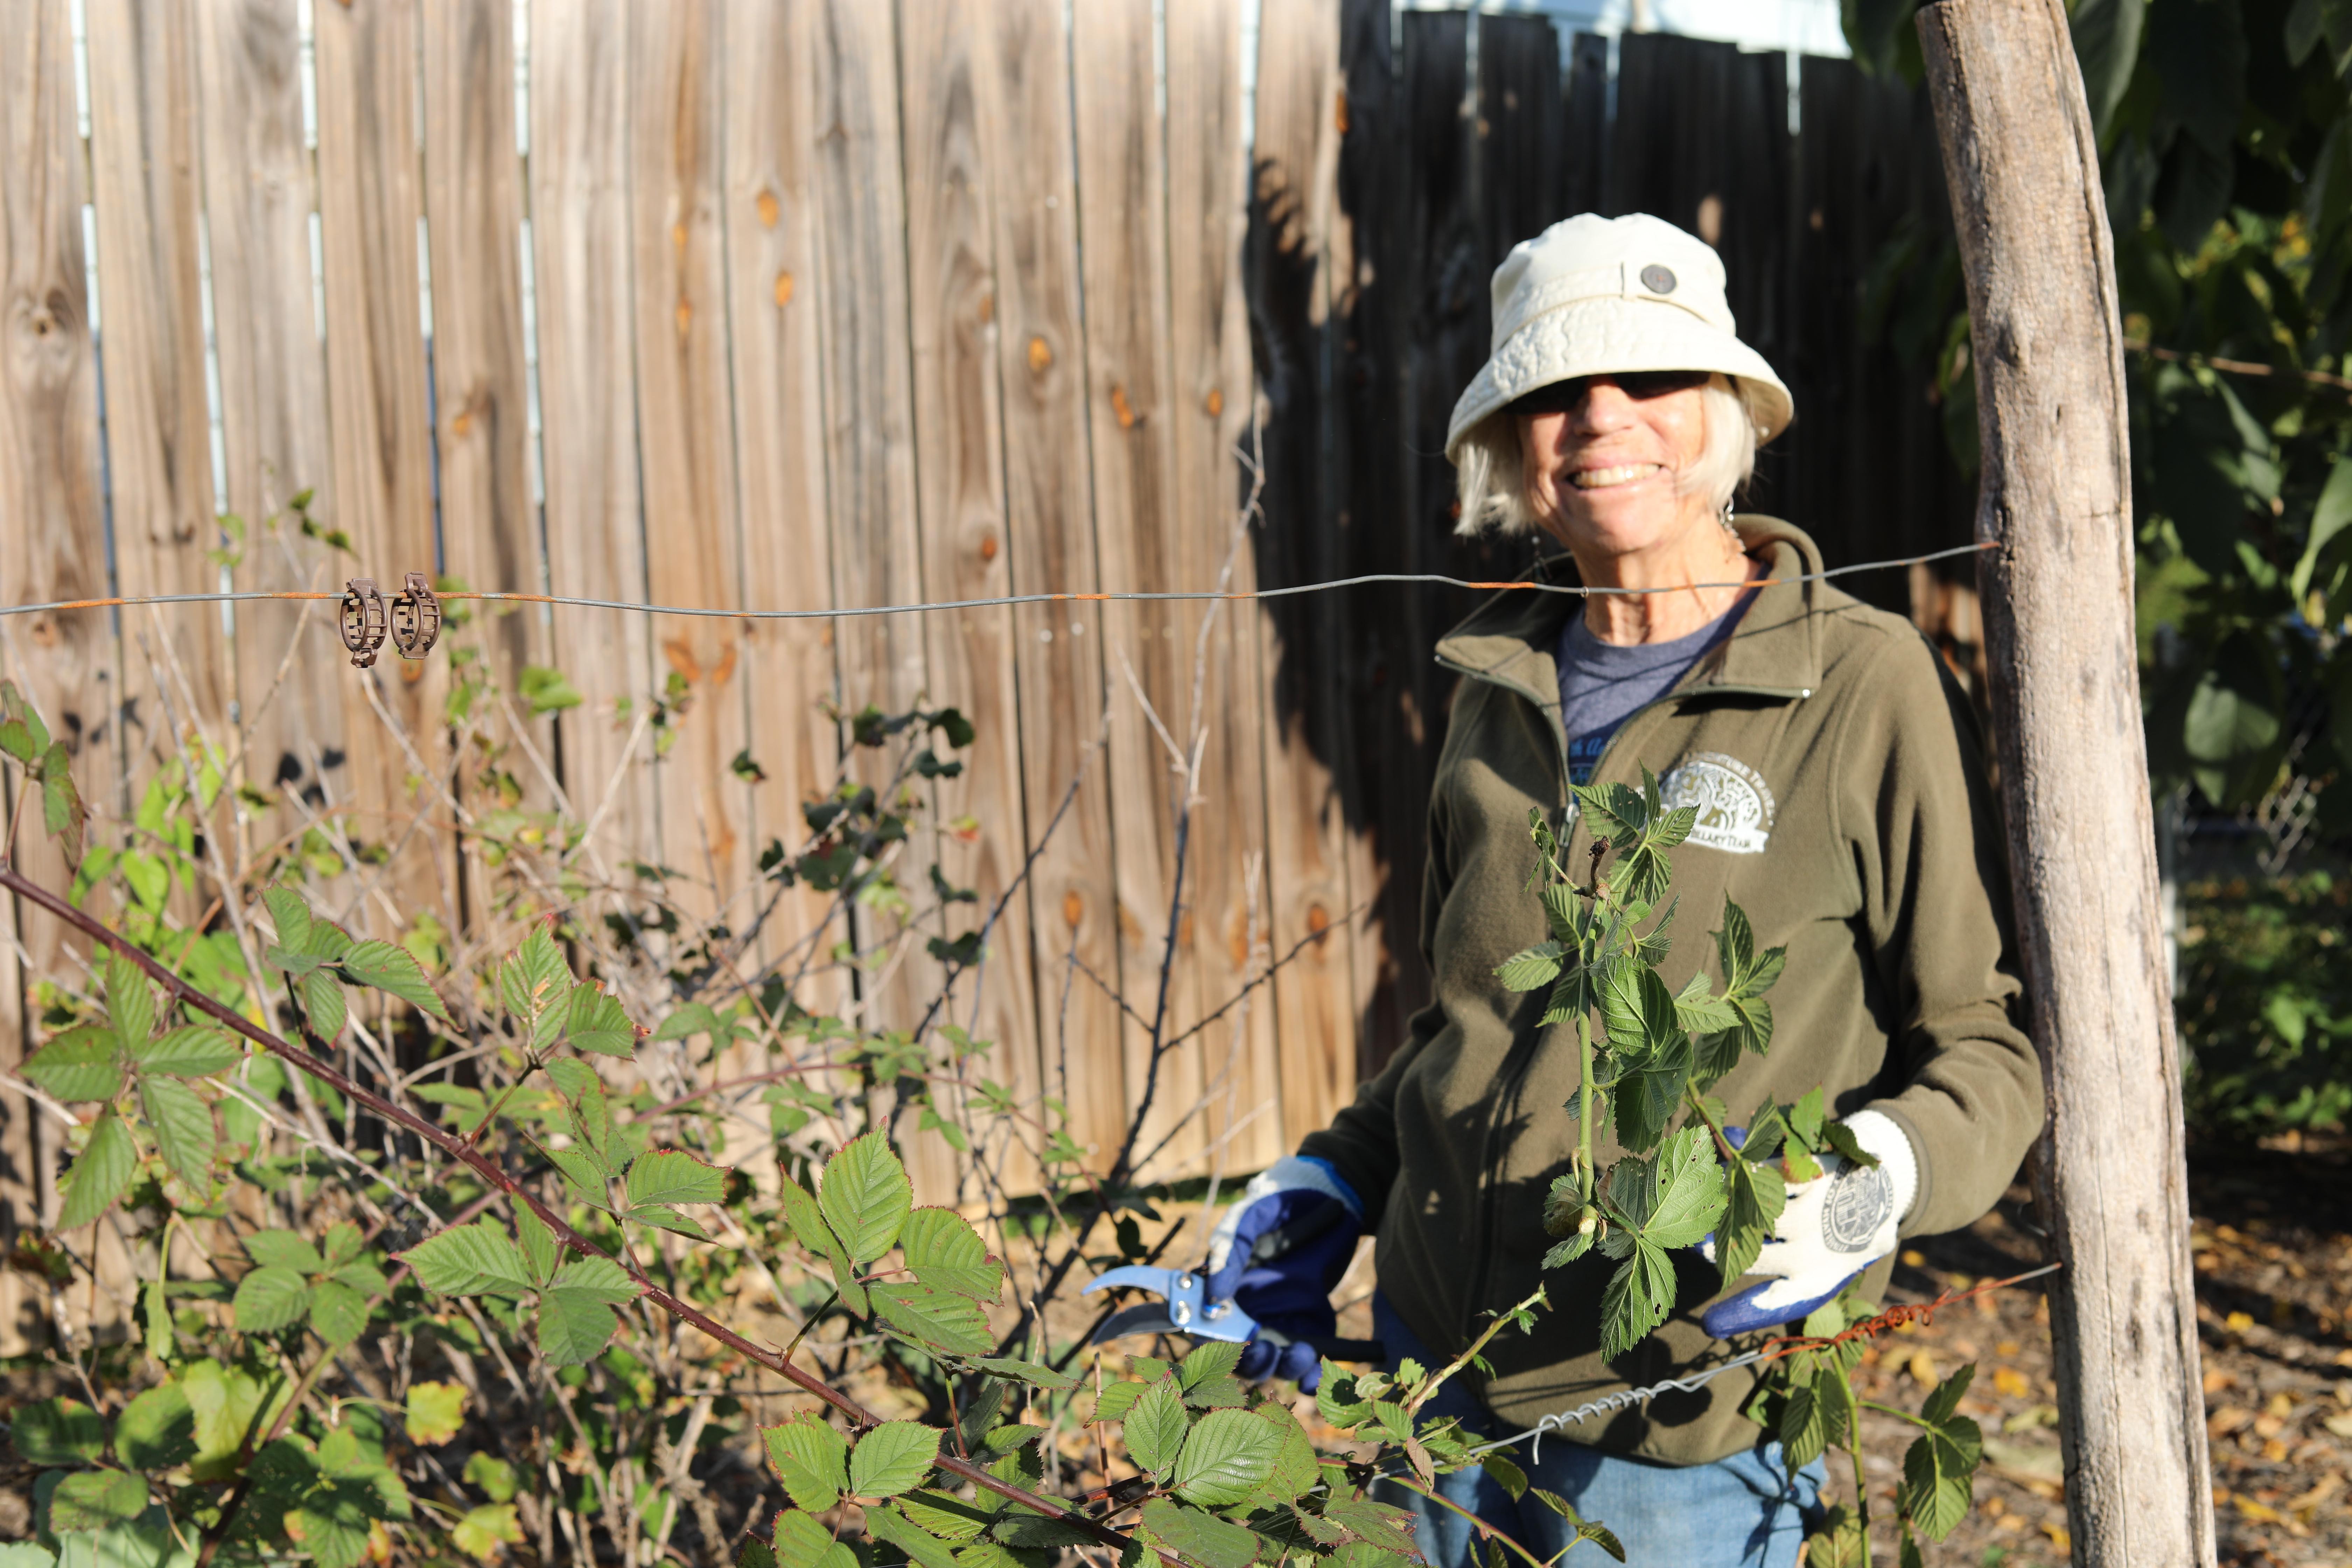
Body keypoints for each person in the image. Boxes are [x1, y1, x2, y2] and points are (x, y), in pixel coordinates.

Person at [1200, 214, 2042, 1567]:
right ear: (1509, 444)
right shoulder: (1498, 684)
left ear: (1723, 413)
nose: (1602, 420)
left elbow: (1986, 1047)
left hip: (1675, 1423)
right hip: (1431, 1383)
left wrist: (1877, 1176)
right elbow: (1465, 1028)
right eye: (1555, 392)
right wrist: (1333, 1176)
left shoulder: (1860, 683)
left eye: (1648, 381)